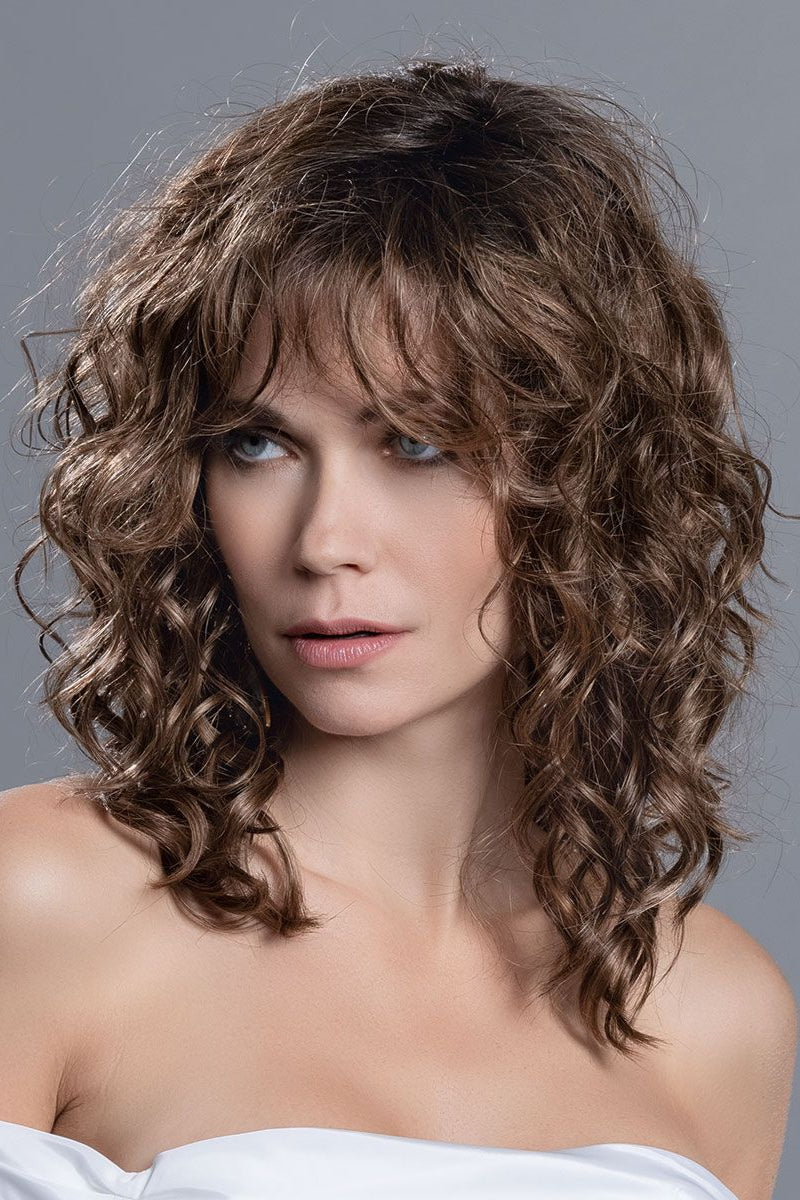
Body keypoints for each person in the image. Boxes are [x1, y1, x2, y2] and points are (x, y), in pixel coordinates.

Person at [0, 52, 796, 1200]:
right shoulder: (40, 901)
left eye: (416, 443)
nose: (325, 540)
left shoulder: (713, 1014)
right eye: (257, 444)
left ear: (586, 479)